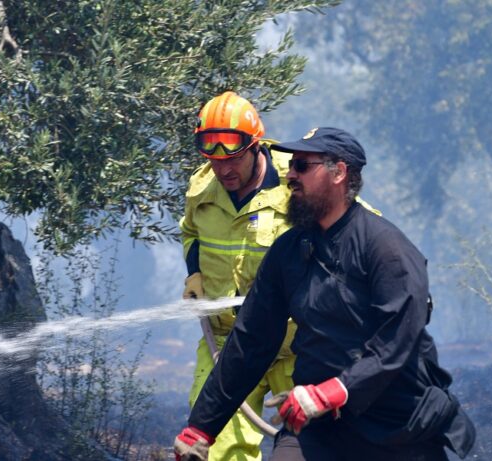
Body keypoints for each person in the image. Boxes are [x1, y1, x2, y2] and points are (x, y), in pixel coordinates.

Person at [174, 127, 476, 461]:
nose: (290, 175)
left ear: (339, 173)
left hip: (398, 425)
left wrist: (336, 390)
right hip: (318, 425)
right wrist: (201, 428)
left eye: (302, 166)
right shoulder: (288, 251)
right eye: (291, 165)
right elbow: (250, 341)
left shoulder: (386, 248)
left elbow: (396, 341)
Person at [178, 91, 297, 460]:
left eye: (232, 159)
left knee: (319, 444)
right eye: (214, 161)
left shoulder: (298, 181)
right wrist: (195, 274)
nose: (223, 170)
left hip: (296, 346)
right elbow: (190, 232)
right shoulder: (202, 189)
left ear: (255, 145)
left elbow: (354, 227)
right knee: (215, 449)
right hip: (228, 343)